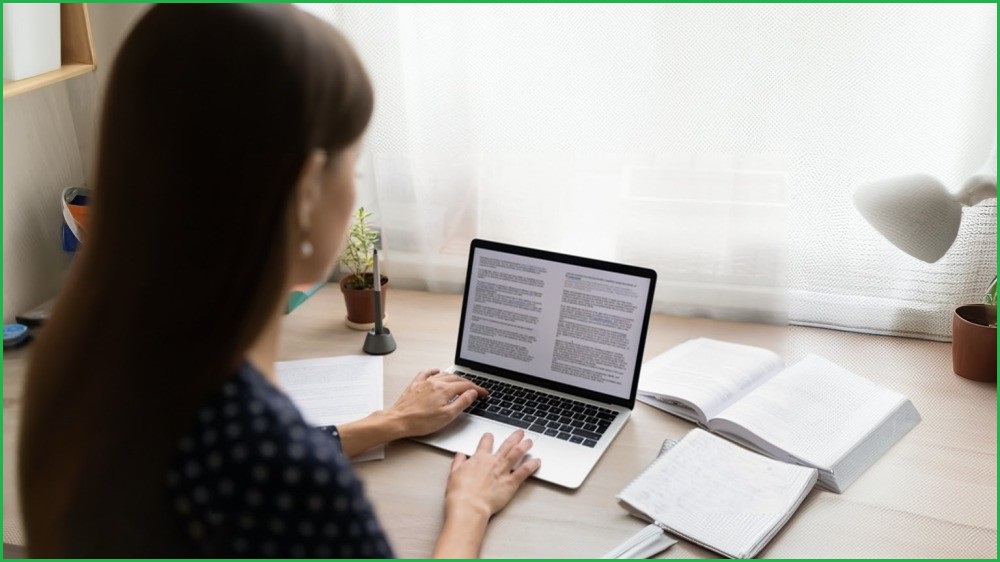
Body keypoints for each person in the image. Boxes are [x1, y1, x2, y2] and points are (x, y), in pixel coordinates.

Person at [18, 4, 540, 557]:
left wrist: (389, 421)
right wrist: (470, 510)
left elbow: (237, 460)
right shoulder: (287, 474)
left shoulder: (84, 359)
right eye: (352, 167)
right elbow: (267, 467)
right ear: (307, 189)